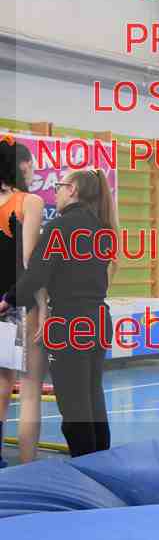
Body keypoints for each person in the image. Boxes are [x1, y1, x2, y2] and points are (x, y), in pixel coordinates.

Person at [0, 168, 118, 457]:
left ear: (73, 190)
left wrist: (8, 301)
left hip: (70, 322)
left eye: (59, 186)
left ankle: (85, 464)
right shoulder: (102, 228)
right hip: (99, 318)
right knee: (93, 395)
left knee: (74, 404)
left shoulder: (60, 227)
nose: (55, 192)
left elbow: (36, 274)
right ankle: (101, 460)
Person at [0, 138, 46, 466]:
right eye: (32, 166)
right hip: (16, 302)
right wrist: (43, 307)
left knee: (2, 382)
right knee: (29, 389)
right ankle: (28, 467)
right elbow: (29, 260)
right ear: (23, 165)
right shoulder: (29, 201)